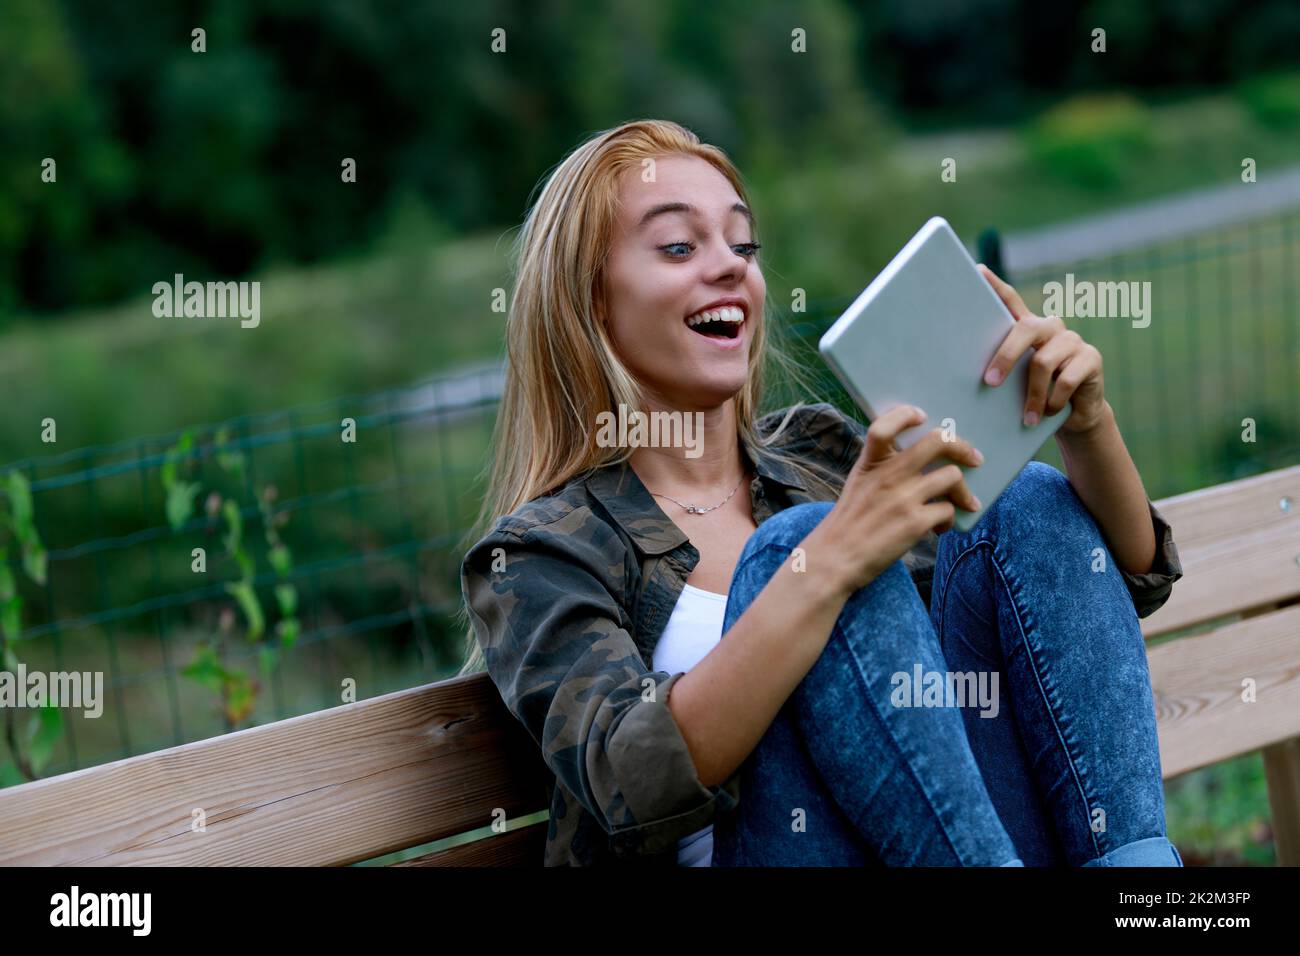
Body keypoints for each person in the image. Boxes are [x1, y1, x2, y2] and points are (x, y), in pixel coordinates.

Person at [458, 118, 1185, 867]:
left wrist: (1084, 424)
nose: (730, 267)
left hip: (946, 837)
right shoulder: (540, 552)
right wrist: (829, 561)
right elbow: (628, 783)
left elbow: (1097, 604)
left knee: (1026, 498)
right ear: (592, 301)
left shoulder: (818, 453)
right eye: (679, 246)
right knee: (792, 552)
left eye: (742, 245)